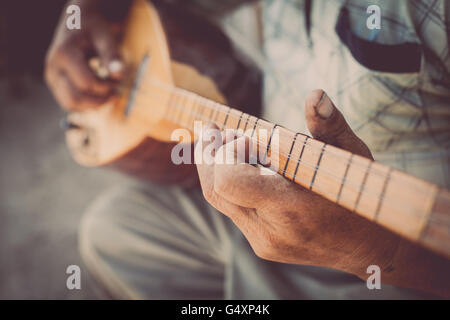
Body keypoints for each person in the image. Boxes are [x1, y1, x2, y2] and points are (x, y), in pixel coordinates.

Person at [45, 0, 450, 299]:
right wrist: (87, 9)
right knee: (115, 230)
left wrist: (376, 251)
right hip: (259, 164)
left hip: (398, 264)